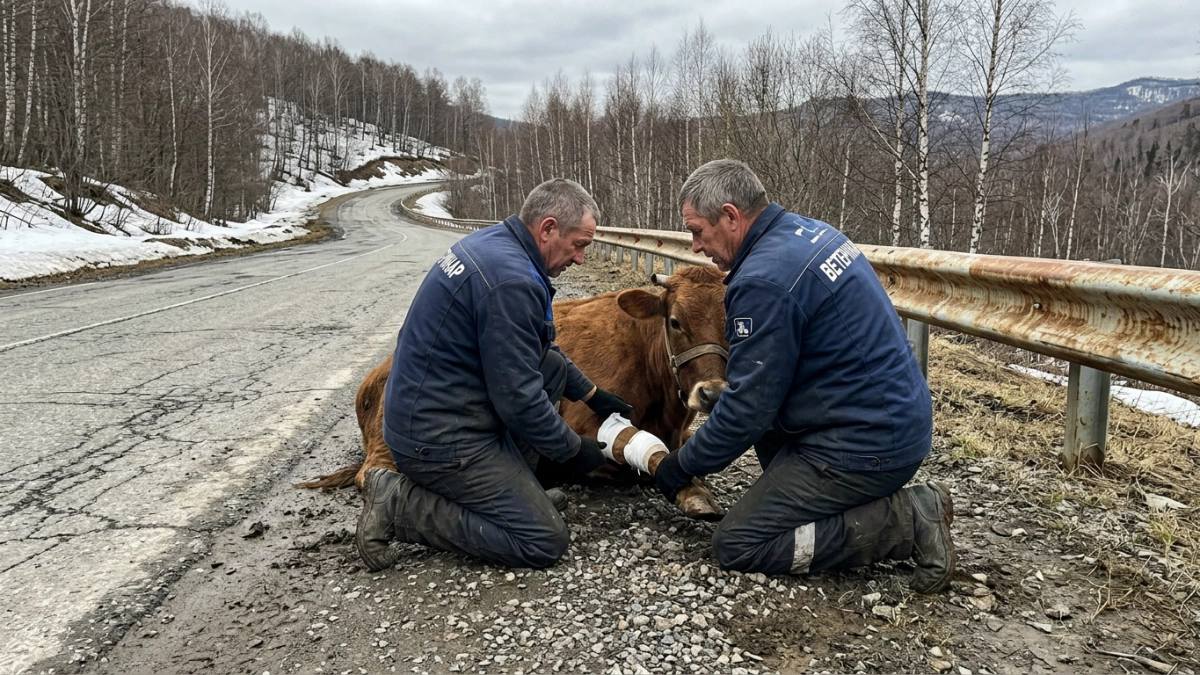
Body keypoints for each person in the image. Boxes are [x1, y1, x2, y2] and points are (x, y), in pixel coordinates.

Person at [653, 159, 955, 593]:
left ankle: (908, 520)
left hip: (867, 445)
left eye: (698, 231)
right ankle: (824, 504)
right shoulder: (809, 232)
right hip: (891, 417)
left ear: (731, 216)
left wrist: (683, 464)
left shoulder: (762, 280)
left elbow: (748, 409)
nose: (696, 246)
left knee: (739, 543)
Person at [355, 178, 632, 572]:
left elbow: (540, 352)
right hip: (436, 438)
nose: (581, 258)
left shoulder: (496, 244)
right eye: (580, 244)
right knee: (542, 539)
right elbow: (518, 399)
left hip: (433, 408)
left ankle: (516, 495)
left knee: (549, 368)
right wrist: (573, 450)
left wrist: (591, 395)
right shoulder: (511, 281)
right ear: (548, 228)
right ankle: (398, 503)